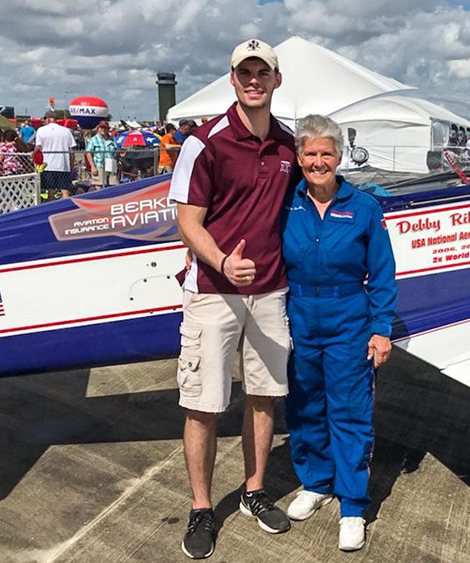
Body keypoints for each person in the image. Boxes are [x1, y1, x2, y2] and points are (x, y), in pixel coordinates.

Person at [169, 38, 299, 559]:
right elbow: (186, 221)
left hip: (270, 290)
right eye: (244, 73)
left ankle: (253, 491)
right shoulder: (206, 143)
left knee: (264, 397)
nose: (253, 80)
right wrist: (221, 261)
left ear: (275, 80)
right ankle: (202, 507)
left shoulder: (288, 144)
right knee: (203, 405)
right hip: (214, 291)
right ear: (232, 79)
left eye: (261, 72)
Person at [281, 114, 397, 552]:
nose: (317, 161)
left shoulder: (364, 208)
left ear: (339, 156)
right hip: (299, 317)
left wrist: (381, 329)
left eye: (325, 153)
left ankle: (352, 505)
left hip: (349, 317)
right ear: (298, 157)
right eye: (309, 153)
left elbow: (383, 274)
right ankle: (316, 481)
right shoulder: (286, 204)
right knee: (306, 405)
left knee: (348, 411)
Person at [35, 110, 77, 198]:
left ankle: (51, 210)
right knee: (65, 191)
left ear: (48, 119)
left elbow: (38, 148)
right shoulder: (66, 131)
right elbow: (71, 151)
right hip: (63, 165)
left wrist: (36, 162)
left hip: (47, 165)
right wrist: (71, 165)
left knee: (50, 192)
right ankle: (67, 209)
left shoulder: (41, 130)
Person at [84, 122, 118, 189]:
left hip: (111, 165)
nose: (103, 129)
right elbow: (88, 153)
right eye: (101, 127)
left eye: (105, 128)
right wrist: (93, 167)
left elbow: (116, 152)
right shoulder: (93, 140)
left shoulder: (112, 140)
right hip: (99, 166)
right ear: (98, 129)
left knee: (113, 185)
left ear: (108, 129)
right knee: (99, 185)